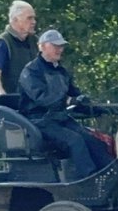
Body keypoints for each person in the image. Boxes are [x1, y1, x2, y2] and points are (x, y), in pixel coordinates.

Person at [18, 29, 112, 180]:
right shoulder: (31, 71)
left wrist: (95, 107)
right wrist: (67, 101)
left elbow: (75, 95)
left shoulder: (62, 71)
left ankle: (111, 175)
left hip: (60, 118)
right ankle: (89, 180)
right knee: (75, 141)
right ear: (42, 46)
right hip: (39, 121)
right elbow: (43, 98)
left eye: (61, 46)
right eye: (55, 46)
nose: (60, 49)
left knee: (93, 141)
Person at [0, 0, 38, 96]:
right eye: (29, 18)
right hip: (15, 100)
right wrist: (3, 96)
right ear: (15, 20)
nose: (34, 22)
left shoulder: (35, 41)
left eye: (34, 18)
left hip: (35, 100)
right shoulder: (4, 41)